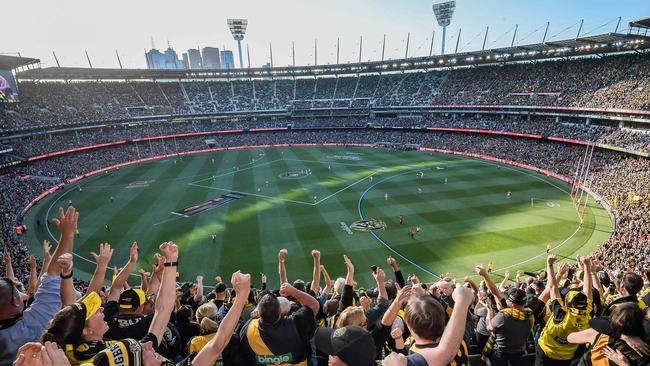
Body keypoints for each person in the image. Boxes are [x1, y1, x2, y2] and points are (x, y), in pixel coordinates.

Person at [40, 241, 179, 365]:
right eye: (94, 312)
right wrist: (171, 263)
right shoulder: (113, 357)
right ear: (87, 331)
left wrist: (67, 273)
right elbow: (162, 311)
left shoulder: (75, 348)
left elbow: (68, 309)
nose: (101, 309)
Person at [0, 207, 77, 365]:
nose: (24, 294)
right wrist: (67, 235)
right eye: (18, 292)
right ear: (15, 302)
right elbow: (54, 274)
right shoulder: (33, 325)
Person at [238, 282, 319, 366]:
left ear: (259, 313)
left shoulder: (247, 329)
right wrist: (294, 292)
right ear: (280, 313)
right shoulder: (295, 324)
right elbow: (314, 305)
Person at [537, 255, 593, 366]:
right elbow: (588, 289)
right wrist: (587, 266)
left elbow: (553, 287)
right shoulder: (587, 313)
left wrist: (549, 264)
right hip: (566, 357)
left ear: (567, 303)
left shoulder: (560, 313)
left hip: (546, 351)